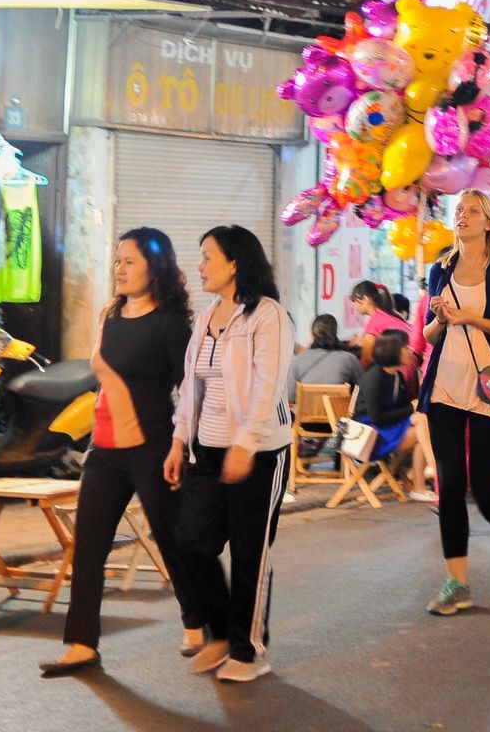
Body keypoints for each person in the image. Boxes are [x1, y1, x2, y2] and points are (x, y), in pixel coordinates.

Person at [45, 227, 205, 679]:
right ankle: (80, 644)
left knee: (171, 540)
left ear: (154, 269)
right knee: (89, 546)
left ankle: (197, 621)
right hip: (106, 447)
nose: (119, 268)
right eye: (117, 260)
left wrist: (180, 444)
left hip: (153, 447)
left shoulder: (173, 325)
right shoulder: (110, 314)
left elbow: (189, 391)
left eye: (129, 261)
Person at [164, 226, 293, 683]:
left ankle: (249, 649)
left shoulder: (267, 315)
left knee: (249, 553)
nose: (199, 266)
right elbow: (190, 389)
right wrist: (180, 441)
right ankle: (221, 634)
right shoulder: (206, 318)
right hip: (207, 450)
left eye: (206, 257)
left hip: (260, 453)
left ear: (234, 263)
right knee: (190, 542)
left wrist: (245, 444)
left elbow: (267, 387)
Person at [420, 188, 490, 618]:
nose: (462, 216)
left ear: (489, 222)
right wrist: (439, 318)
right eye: (458, 211)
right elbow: (430, 337)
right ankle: (457, 583)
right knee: (449, 486)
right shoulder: (440, 268)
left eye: (472, 211)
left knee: (484, 490)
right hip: (446, 387)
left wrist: (470, 317)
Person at [354, 329, 419, 478]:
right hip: (369, 436)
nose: (410, 351)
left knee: (423, 424)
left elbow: (402, 408)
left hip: (384, 429)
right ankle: (429, 471)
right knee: (424, 429)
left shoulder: (397, 376)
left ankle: (418, 482)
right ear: (392, 349)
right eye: (405, 347)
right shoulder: (375, 377)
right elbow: (377, 418)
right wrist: (411, 409)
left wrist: (413, 409)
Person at [291, 315, 363, 400]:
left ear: (312, 334)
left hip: (305, 413)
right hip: (338, 413)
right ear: (335, 333)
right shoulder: (349, 359)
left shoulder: (297, 361)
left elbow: (290, 397)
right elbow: (362, 390)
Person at [348, 280, 414, 370]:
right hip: (412, 366)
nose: (355, 307)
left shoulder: (374, 322)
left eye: (355, 302)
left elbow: (366, 360)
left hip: (401, 369)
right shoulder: (393, 314)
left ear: (366, 300)